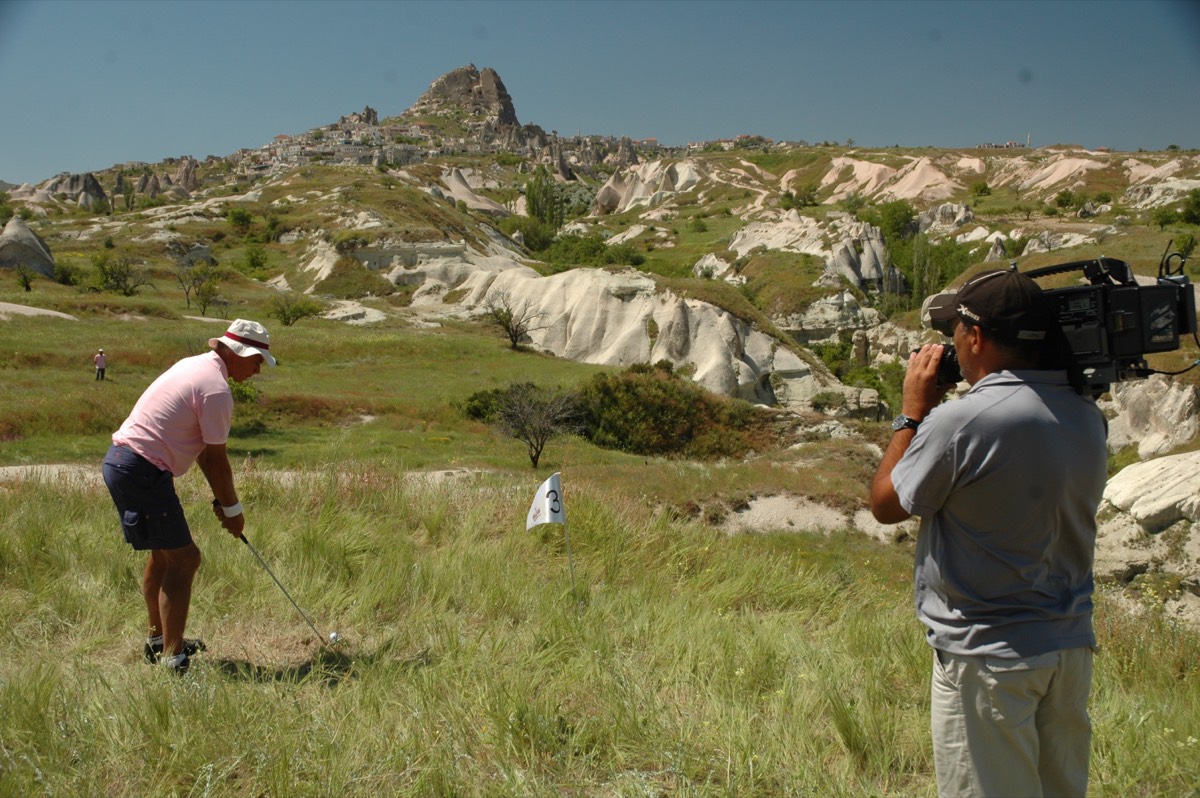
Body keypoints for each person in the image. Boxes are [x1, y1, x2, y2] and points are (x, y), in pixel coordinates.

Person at [869, 266, 1107, 798]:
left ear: (974, 337)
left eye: (952, 331)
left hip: (988, 656)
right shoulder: (1084, 412)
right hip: (1067, 650)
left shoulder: (966, 421)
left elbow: (887, 505)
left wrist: (911, 415)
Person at [102, 319, 276, 673]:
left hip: (124, 463)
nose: (258, 369)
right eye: (256, 360)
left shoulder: (193, 366)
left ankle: (159, 640)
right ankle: (172, 659)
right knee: (185, 559)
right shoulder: (215, 390)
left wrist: (222, 503)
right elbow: (215, 458)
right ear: (235, 352)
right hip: (141, 469)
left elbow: (198, 449)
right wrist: (233, 510)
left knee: (165, 557)